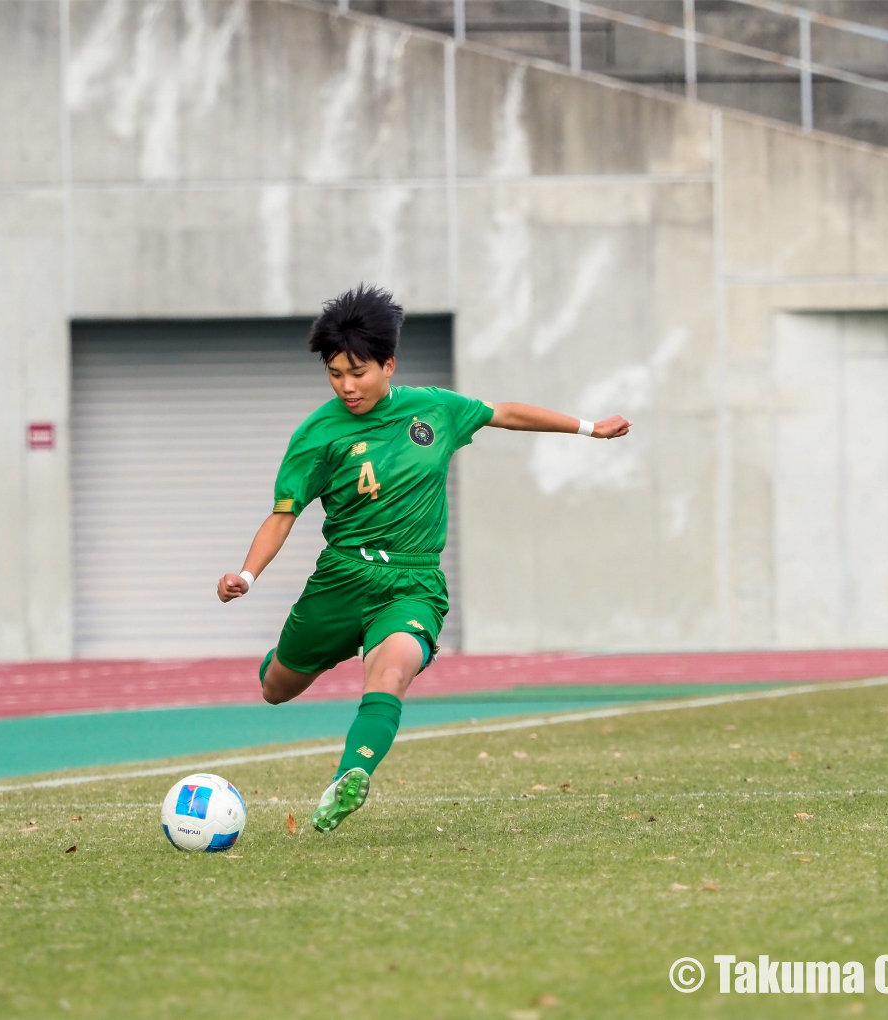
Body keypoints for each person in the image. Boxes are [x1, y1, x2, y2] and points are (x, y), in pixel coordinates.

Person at [216, 285, 631, 833]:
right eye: (335, 373)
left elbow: (504, 413)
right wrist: (246, 574)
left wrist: (587, 427)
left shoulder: (435, 410)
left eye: (358, 372)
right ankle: (300, 653)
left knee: (391, 669)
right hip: (342, 578)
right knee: (276, 689)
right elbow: (283, 515)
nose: (346, 386)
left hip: (413, 581)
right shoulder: (318, 435)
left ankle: (350, 777)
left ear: (389, 365)